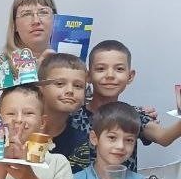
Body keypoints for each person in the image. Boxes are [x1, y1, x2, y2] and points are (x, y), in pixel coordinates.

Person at [68, 40, 181, 172]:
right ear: (88, 76)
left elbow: (164, 137)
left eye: (119, 69)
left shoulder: (133, 115)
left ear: (130, 76)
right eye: (101, 69)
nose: (110, 75)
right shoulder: (72, 115)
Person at [39, 53, 90, 173]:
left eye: (78, 86)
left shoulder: (80, 143)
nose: (70, 91)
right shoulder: (19, 127)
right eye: (60, 84)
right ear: (40, 87)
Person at [4, 0, 57, 65]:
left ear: (55, 19)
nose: (36, 21)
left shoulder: (69, 62)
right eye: (26, 14)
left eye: (43, 12)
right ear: (14, 25)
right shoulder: (1, 68)